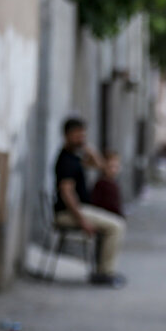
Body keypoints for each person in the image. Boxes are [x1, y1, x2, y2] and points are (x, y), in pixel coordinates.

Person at [53, 118, 125, 287]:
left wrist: (90, 151)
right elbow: (67, 194)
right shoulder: (66, 161)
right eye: (77, 135)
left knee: (113, 222)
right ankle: (105, 272)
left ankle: (102, 270)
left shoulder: (75, 157)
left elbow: (101, 167)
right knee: (116, 226)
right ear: (67, 135)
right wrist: (82, 221)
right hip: (68, 213)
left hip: (79, 209)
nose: (81, 138)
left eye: (83, 135)